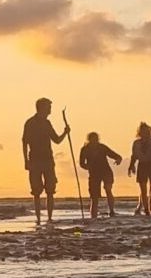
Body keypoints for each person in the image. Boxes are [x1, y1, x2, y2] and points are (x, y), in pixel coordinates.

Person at [21, 97, 68, 227]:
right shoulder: (30, 123)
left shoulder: (47, 123)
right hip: (35, 160)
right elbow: (24, 142)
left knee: (50, 190)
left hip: (48, 160)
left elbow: (57, 140)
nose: (50, 109)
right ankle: (38, 218)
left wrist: (65, 133)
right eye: (48, 107)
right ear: (42, 108)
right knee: (36, 191)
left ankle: (49, 218)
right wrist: (26, 160)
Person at [77, 131, 122, 218]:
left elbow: (114, 155)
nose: (94, 142)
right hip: (94, 174)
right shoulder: (85, 149)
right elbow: (82, 163)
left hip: (106, 171)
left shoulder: (102, 147)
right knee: (94, 196)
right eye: (92, 140)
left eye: (96, 140)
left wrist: (118, 159)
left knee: (108, 190)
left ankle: (112, 210)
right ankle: (93, 215)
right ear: (89, 140)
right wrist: (88, 167)